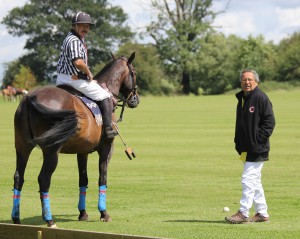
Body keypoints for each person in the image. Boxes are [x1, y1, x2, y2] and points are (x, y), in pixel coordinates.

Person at [225, 69, 275, 224]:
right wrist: (238, 142)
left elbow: (269, 122)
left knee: (247, 179)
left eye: (249, 80)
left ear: (256, 81)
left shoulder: (260, 98)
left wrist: (257, 140)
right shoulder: (242, 99)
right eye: (244, 79)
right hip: (246, 148)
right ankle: (262, 213)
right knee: (255, 182)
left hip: (257, 147)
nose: (246, 82)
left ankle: (243, 213)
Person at [56, 12, 117, 138]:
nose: (86, 29)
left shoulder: (77, 38)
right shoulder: (73, 40)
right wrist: (89, 74)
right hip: (72, 80)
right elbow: (78, 63)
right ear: (74, 26)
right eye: (82, 25)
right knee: (105, 96)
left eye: (88, 26)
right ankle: (108, 129)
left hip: (66, 78)